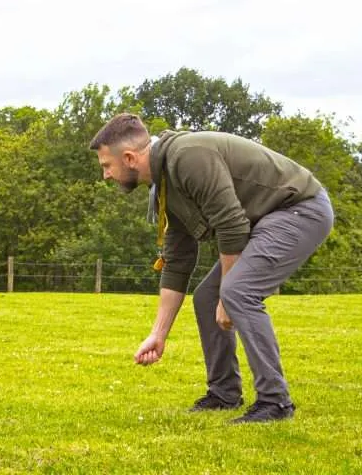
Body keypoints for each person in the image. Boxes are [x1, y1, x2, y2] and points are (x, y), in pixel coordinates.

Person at [89, 113, 334, 424]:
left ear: (128, 158)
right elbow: (178, 262)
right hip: (265, 221)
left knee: (236, 292)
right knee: (207, 297)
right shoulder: (165, 184)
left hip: (299, 209)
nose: (106, 176)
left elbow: (232, 226)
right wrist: (158, 334)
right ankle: (224, 394)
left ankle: (275, 402)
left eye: (106, 166)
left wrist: (227, 298)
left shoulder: (188, 157)